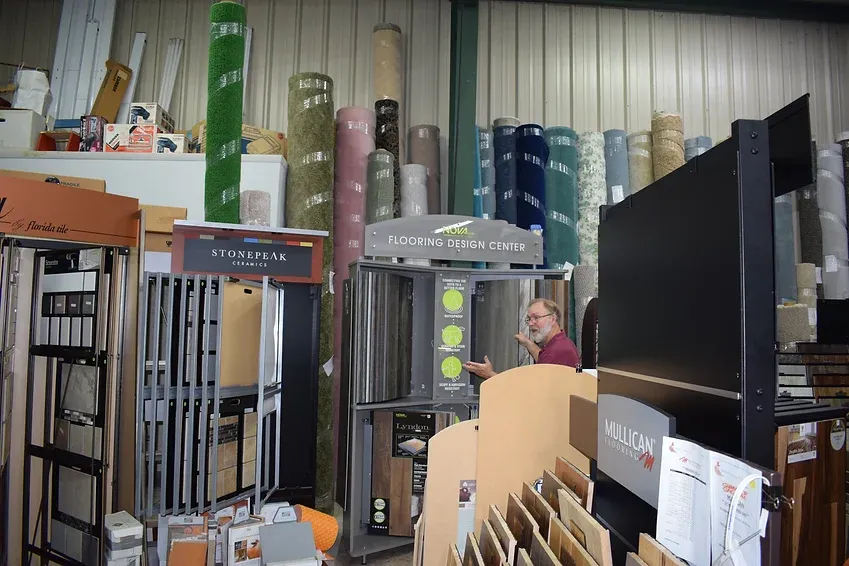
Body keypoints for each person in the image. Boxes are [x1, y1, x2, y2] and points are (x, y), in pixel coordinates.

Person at [463, 297, 579, 380]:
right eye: (529, 319)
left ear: (553, 319)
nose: (531, 323)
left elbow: (526, 392)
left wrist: (489, 374)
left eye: (536, 317)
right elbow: (544, 359)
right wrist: (528, 343)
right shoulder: (561, 343)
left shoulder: (556, 351)